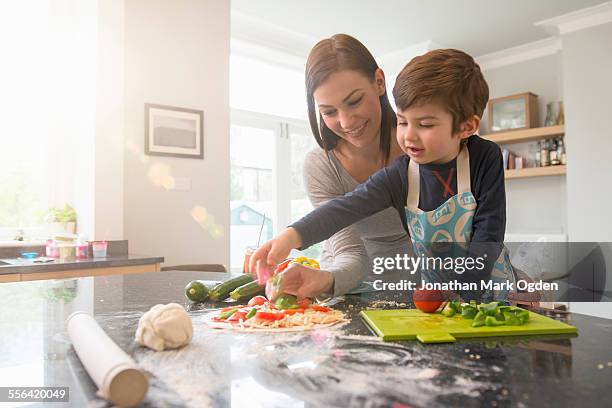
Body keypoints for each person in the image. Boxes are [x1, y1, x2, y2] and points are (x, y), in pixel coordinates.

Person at [251, 48, 537, 302]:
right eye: (402, 122)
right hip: (437, 302)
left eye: (424, 124)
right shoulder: (400, 174)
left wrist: (464, 289)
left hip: (490, 293)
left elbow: (489, 232)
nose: (408, 135)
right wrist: (291, 236)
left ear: (466, 127)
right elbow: (345, 208)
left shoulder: (484, 158)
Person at [248, 34, 411, 299]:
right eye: (329, 111)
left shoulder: (419, 146)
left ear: (379, 82)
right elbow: (351, 251)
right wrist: (325, 279)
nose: (346, 122)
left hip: (420, 288)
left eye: (354, 101)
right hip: (348, 287)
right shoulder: (321, 166)